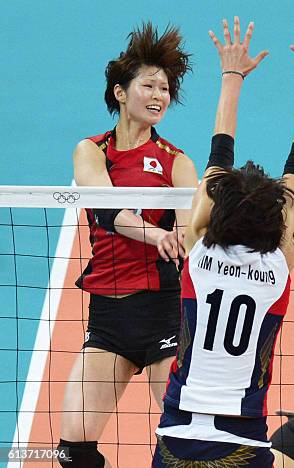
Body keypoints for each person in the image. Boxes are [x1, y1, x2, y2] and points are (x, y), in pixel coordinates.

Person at [152, 17, 294, 467]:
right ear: (280, 222)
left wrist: (231, 74)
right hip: (244, 444)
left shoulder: (198, 256)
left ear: (216, 211)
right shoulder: (277, 269)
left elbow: (217, 158)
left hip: (175, 441)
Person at [57, 23, 198, 467]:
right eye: (149, 85)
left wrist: (184, 236)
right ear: (120, 92)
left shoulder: (177, 162)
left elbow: (191, 230)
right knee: (73, 448)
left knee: (187, 435)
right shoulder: (92, 150)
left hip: (163, 311)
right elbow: (104, 210)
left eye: (166, 88)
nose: (160, 95)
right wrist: (156, 234)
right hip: (108, 316)